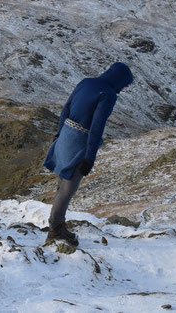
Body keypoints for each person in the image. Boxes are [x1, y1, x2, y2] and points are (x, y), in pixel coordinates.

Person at [42, 62, 134, 246]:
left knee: (61, 184)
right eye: (125, 84)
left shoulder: (86, 82)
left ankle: (56, 222)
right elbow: (96, 126)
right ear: (119, 80)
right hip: (79, 141)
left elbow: (66, 109)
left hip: (66, 134)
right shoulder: (108, 94)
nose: (123, 88)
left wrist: (60, 134)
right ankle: (55, 229)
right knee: (68, 188)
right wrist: (89, 157)